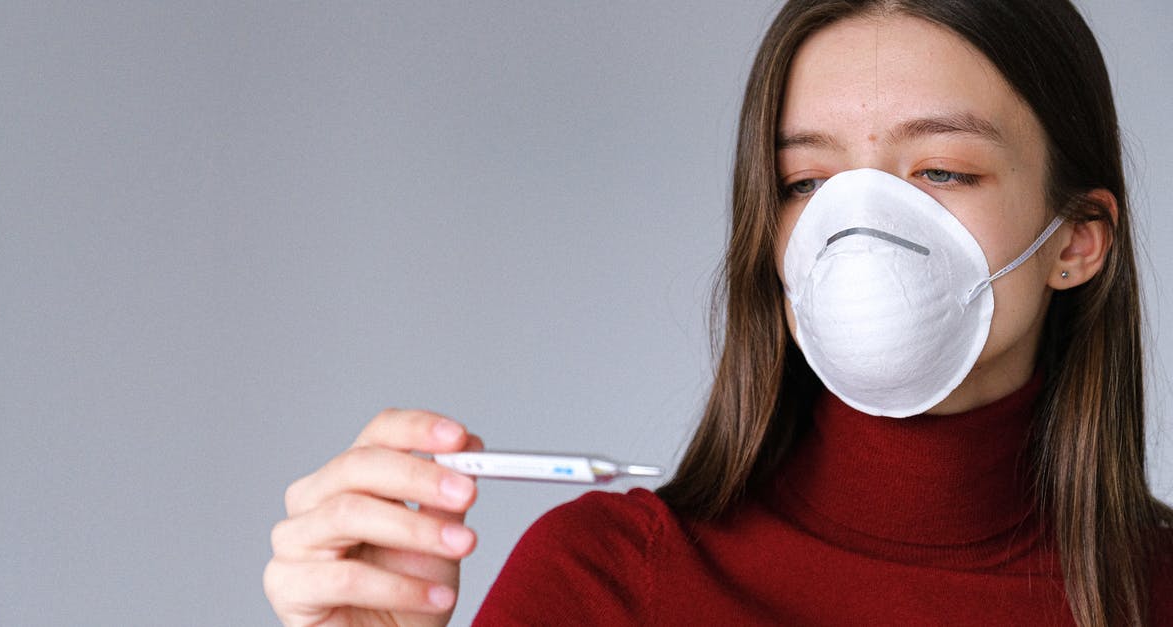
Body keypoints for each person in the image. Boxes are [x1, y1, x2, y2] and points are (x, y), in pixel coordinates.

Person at [263, 0, 1173, 625]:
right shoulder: (609, 583)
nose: (858, 228)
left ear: (1077, 239)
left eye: (941, 169)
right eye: (807, 181)